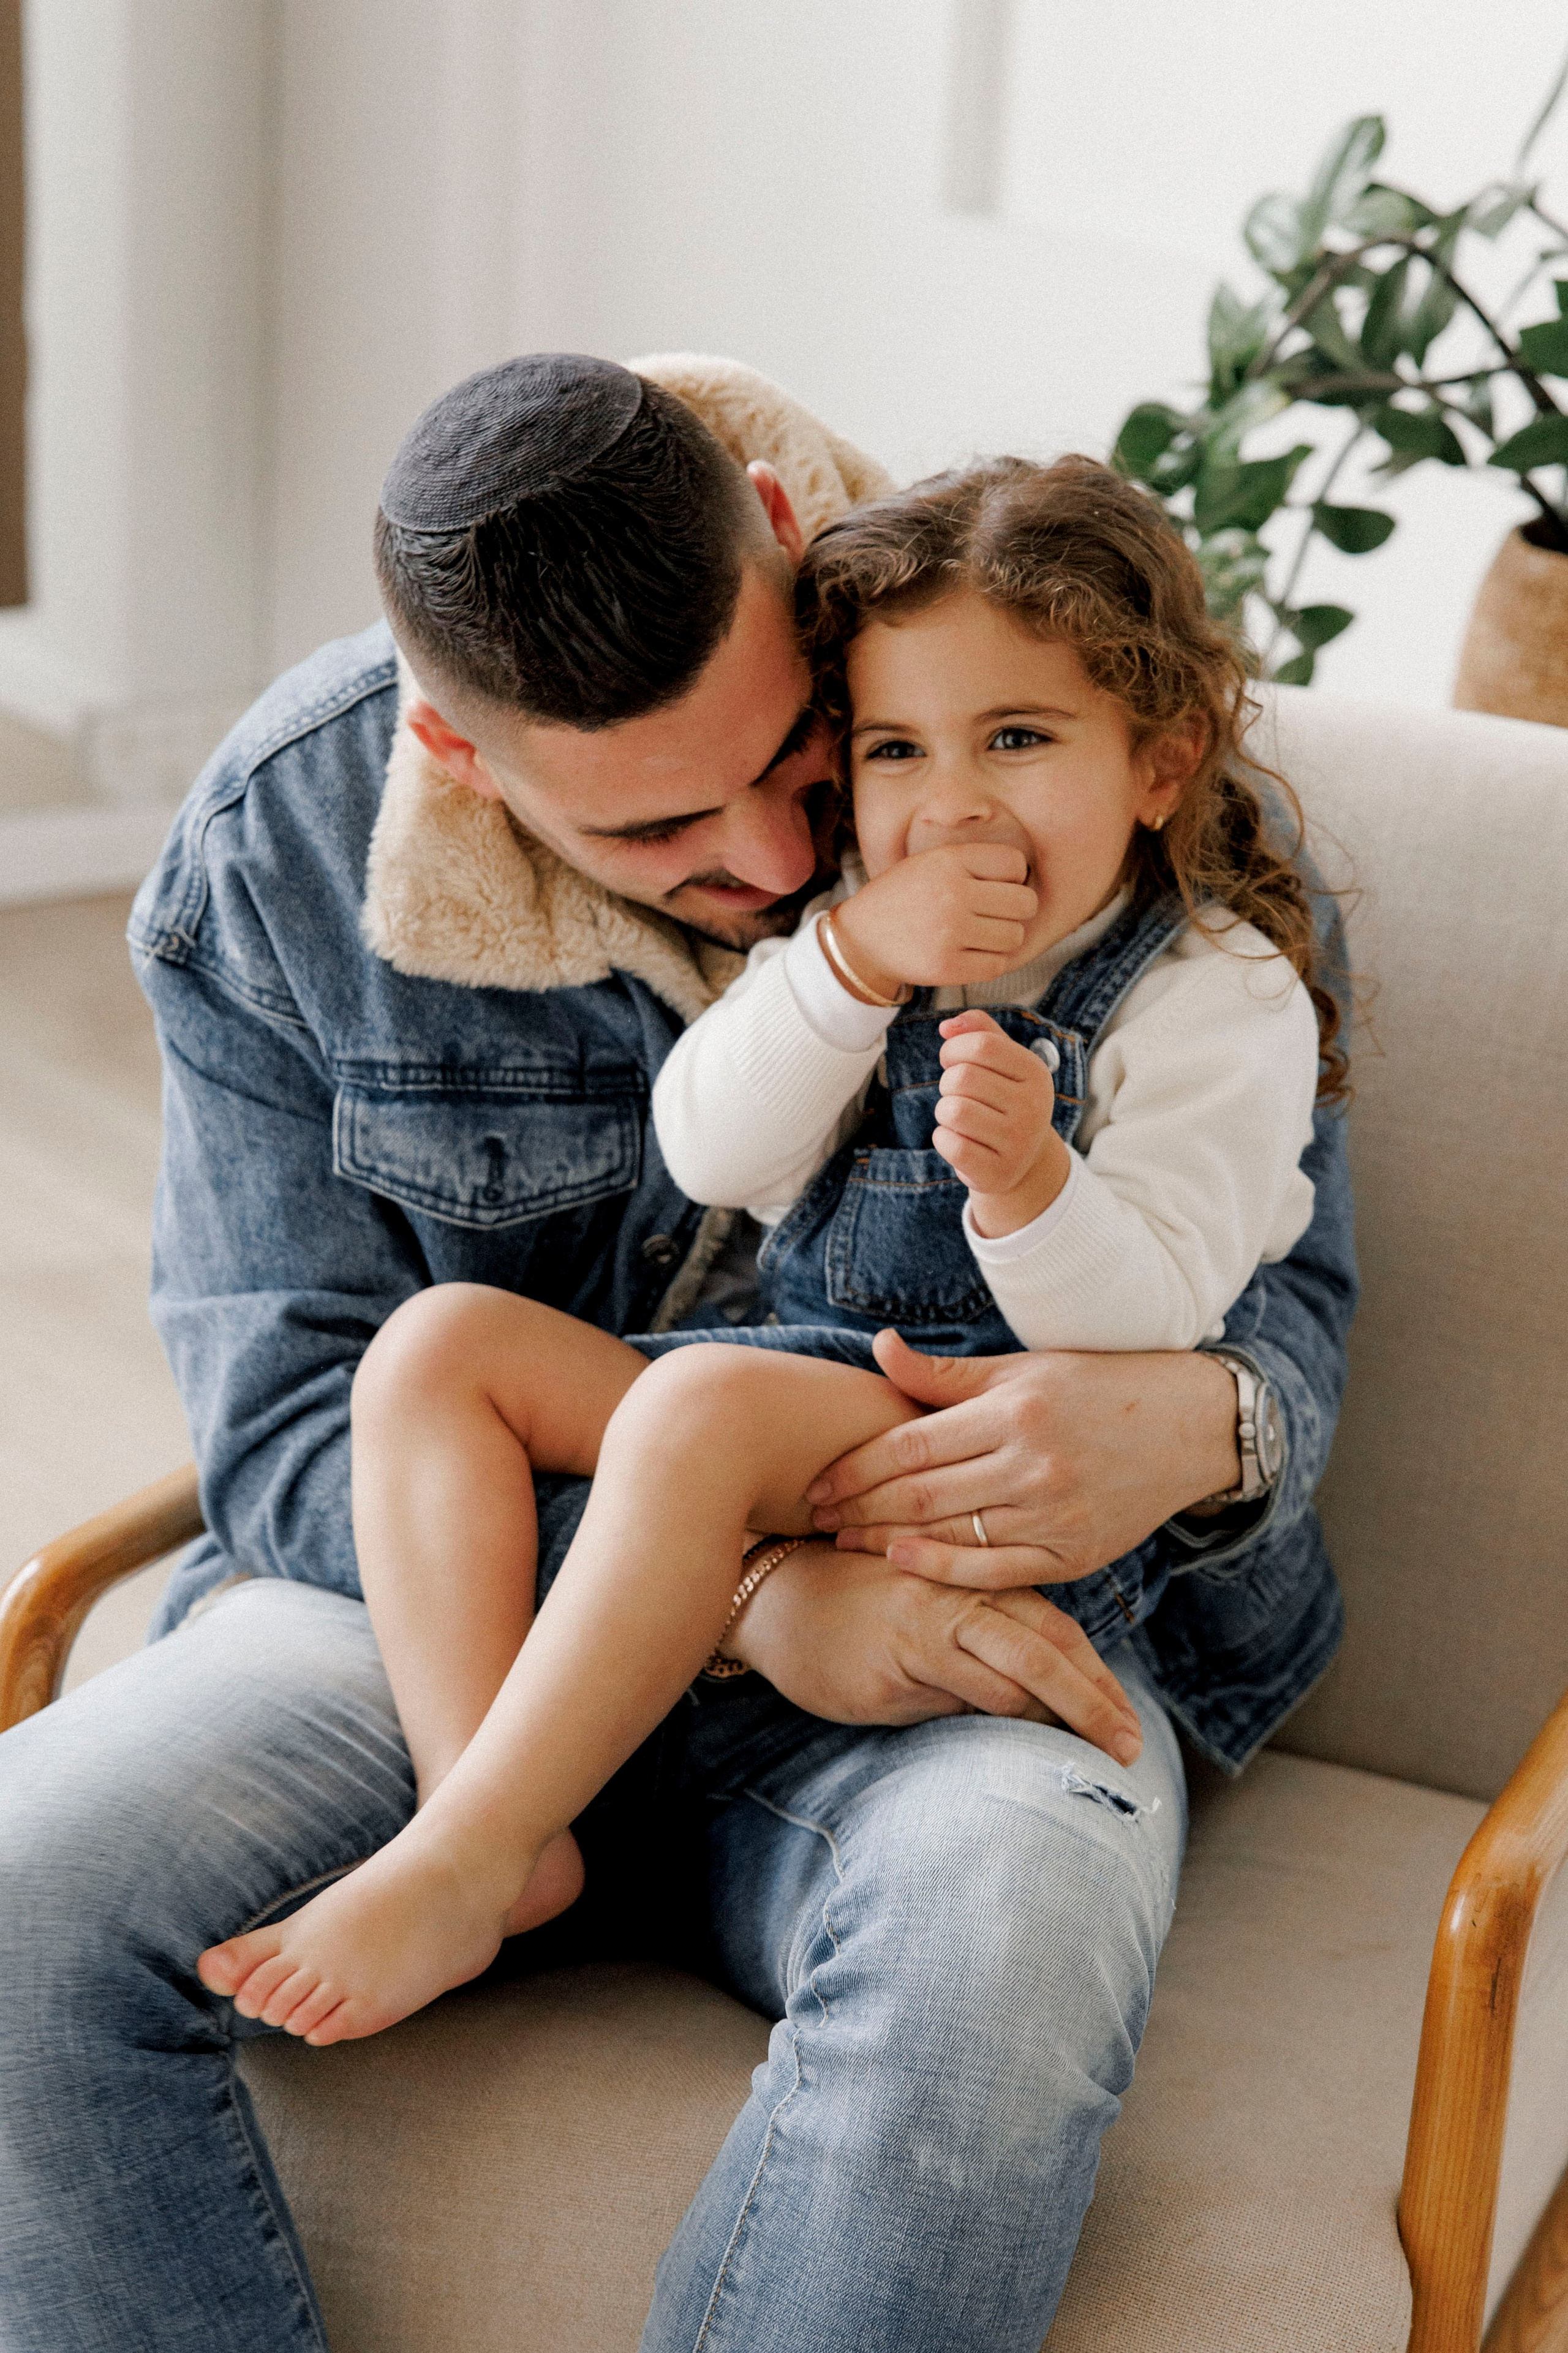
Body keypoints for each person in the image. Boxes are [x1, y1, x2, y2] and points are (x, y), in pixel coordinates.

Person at [0, 354, 1355, 2353]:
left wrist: (1210, 1417)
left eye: (802, 757)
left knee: (998, 1954)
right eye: (665, 826)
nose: (778, 850)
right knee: (22, 1899)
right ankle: (493, 1835)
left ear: (790, 554)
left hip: (965, 1601)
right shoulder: (277, 849)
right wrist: (748, 1599)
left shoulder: (1066, 745)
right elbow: (289, 1427)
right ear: (462, 753)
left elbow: (1290, 1309)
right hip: (452, 1607)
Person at [195, 454, 1332, 2054]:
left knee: (696, 1412)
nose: (952, 803)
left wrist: (1030, 1182)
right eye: (893, 749)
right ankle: (494, 1817)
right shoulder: (863, 926)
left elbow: (1150, 1317)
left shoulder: (1214, 988)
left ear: (1159, 762)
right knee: (438, 1349)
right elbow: (714, 1152)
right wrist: (854, 963)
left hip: (1006, 1458)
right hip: (817, 1397)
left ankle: (455, 1857)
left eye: (1018, 739)